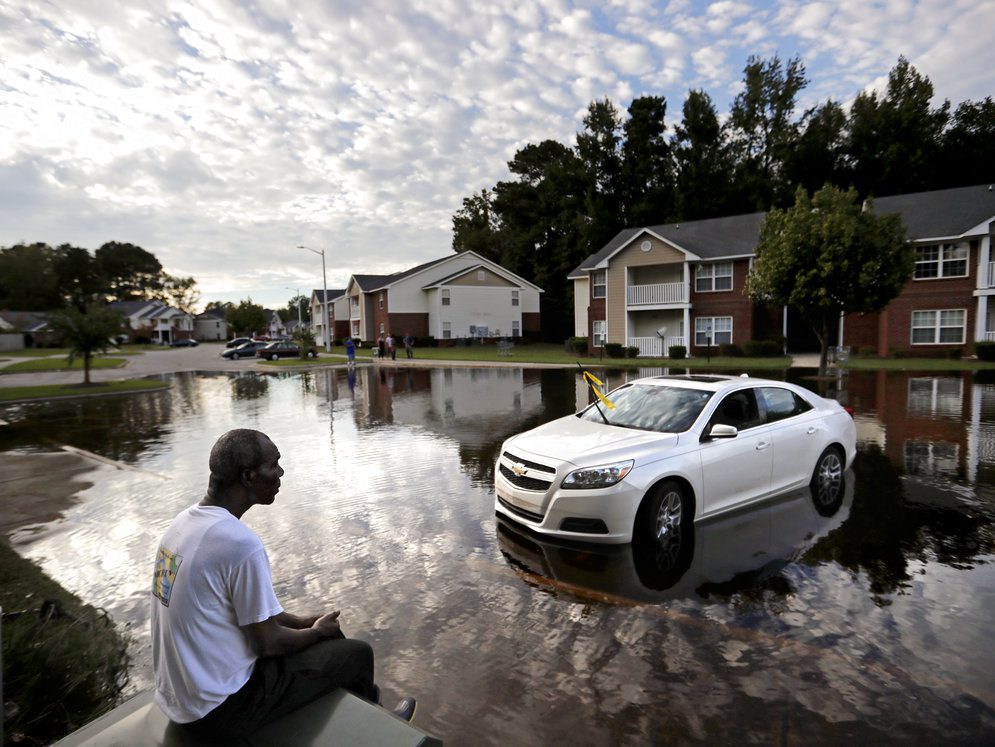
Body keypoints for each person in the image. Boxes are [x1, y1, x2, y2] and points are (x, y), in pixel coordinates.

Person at [150, 429, 414, 739]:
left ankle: (367, 710)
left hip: (180, 700)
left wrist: (304, 622)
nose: (280, 473)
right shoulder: (238, 543)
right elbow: (268, 643)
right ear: (249, 477)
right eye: (273, 465)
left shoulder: (182, 526)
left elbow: (249, 611)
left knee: (326, 639)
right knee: (357, 654)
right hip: (220, 710)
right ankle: (381, 733)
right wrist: (316, 633)